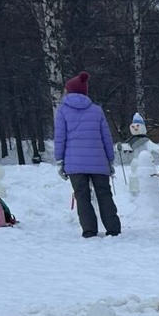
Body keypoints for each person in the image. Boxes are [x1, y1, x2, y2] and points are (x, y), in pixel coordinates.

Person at [53, 71, 121, 238]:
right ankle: (113, 229)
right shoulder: (97, 110)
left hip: (74, 164)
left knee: (82, 197)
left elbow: (60, 137)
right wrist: (110, 159)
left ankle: (89, 230)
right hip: (98, 162)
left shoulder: (62, 111)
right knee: (104, 194)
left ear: (69, 91)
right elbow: (106, 137)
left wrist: (59, 160)